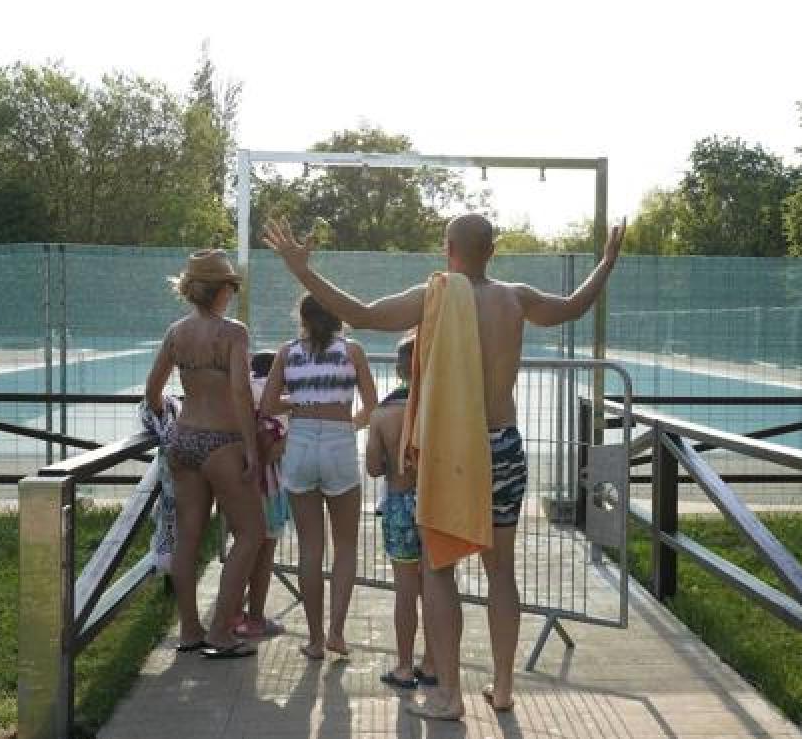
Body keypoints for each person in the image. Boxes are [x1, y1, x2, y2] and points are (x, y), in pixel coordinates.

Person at [263, 212, 625, 718]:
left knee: (438, 571)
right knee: (501, 572)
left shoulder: (433, 296)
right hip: (503, 444)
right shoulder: (516, 298)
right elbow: (571, 307)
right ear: (492, 251)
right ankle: (503, 688)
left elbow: (361, 314)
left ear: (446, 248)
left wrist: (303, 271)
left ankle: (448, 695)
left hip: (453, 451)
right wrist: (605, 264)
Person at [143, 248, 265, 659]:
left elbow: (153, 390)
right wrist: (251, 447)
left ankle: (190, 630)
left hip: (184, 440)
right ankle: (221, 632)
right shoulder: (233, 333)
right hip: (222, 442)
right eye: (231, 286)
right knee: (251, 533)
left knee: (188, 538)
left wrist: (168, 418)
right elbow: (240, 392)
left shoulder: (176, 332)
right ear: (223, 290)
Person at [259, 294, 378, 660]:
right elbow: (372, 406)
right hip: (339, 441)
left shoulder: (287, 353)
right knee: (345, 547)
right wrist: (349, 426)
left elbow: (267, 405)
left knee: (310, 549)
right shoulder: (352, 351)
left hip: (301, 442)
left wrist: (298, 401)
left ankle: (314, 639)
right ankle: (337, 634)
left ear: (303, 318)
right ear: (338, 315)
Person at [366, 337, 436, 691]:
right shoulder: (437, 409)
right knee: (438, 586)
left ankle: (405, 667)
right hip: (435, 504)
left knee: (405, 590)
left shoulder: (382, 414)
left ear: (398, 370)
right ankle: (434, 662)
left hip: (398, 503)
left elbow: (372, 469)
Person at [231, 350, 290, 638]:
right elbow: (271, 446)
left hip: (234, 481)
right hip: (267, 485)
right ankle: (255, 618)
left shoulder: (240, 394)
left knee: (241, 548)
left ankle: (231, 614)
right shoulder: (278, 399)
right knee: (264, 552)